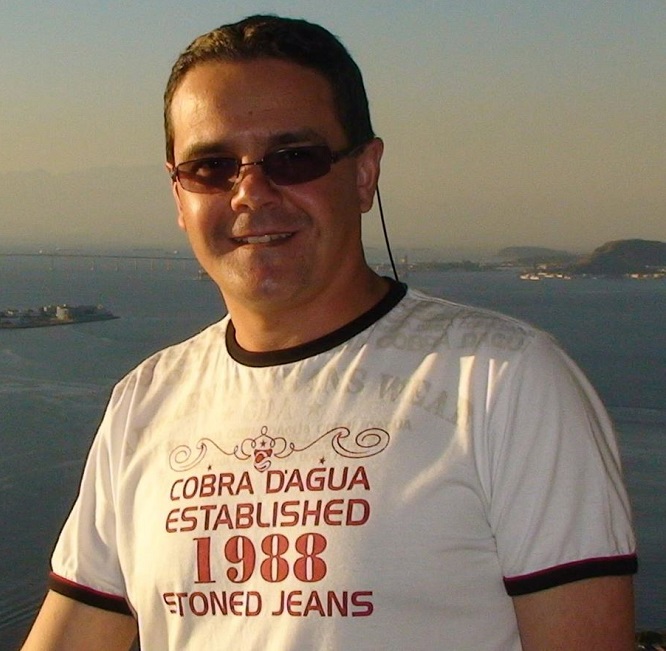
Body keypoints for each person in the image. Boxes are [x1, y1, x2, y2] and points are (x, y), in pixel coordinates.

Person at [22, 14, 637, 651]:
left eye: (294, 159)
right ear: (179, 196)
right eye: (211, 166)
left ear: (364, 174)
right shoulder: (145, 400)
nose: (250, 193)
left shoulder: (503, 381)